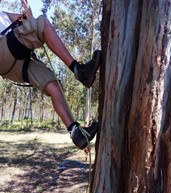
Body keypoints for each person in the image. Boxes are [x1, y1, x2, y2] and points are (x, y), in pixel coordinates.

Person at [0, 0, 100, 149]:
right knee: (43, 25)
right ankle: (80, 71)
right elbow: (34, 25)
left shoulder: (4, 14)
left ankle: (76, 133)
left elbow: (26, 20)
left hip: (13, 66)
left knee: (52, 85)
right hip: (4, 49)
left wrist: (26, 10)